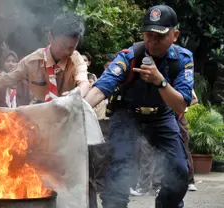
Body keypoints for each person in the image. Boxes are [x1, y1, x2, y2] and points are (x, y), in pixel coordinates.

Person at [85, 5, 193, 208]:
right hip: (127, 115)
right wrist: (80, 109)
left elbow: (180, 106)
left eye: (159, 36)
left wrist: (159, 81)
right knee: (121, 168)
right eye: (148, 35)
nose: (152, 42)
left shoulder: (183, 60)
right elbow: (101, 89)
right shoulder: (129, 55)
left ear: (175, 35)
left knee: (179, 171)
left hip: (162, 117)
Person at [0, 13, 95, 207]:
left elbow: (84, 83)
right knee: (39, 174)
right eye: (63, 45)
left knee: (82, 176)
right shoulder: (32, 61)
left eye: (72, 47)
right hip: (41, 128)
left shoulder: (76, 60)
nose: (67, 51)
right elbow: (6, 80)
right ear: (50, 37)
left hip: (68, 126)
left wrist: (73, 96)